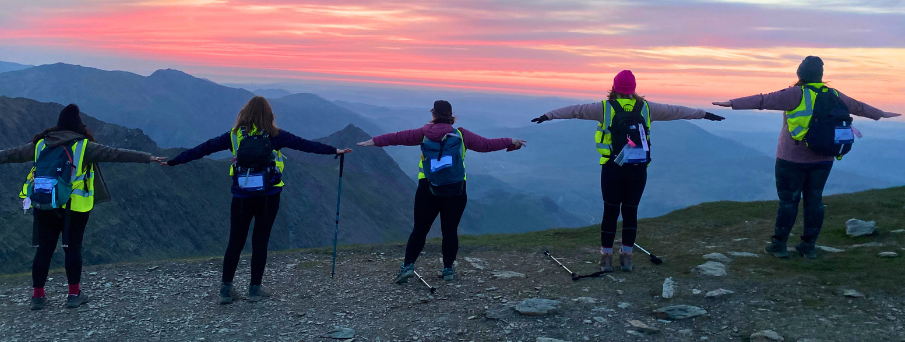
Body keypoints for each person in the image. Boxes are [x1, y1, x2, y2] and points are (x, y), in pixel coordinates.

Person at [0, 104, 164, 310]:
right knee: (72, 249)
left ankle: (38, 297)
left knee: (44, 249)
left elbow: (10, 155)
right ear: (78, 126)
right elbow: (116, 154)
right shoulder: (84, 146)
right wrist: (148, 158)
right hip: (75, 207)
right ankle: (73, 294)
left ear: (58, 125)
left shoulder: (41, 144)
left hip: (45, 202)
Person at [162, 96, 352, 304]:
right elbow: (305, 145)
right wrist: (335, 150)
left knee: (235, 241)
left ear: (244, 113)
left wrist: (174, 161)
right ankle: (255, 290)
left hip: (242, 196)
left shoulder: (234, 137)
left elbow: (203, 148)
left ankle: (226, 290)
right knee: (260, 241)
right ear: (269, 115)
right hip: (269, 196)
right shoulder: (275, 136)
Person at [531, 70, 725, 272]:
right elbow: (676, 111)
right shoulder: (646, 108)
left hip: (612, 168)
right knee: (630, 212)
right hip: (639, 169)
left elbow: (575, 110)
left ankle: (606, 258)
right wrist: (704, 114)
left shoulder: (604, 108)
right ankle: (627, 258)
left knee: (610, 211)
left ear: (614, 87)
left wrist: (548, 115)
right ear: (634, 88)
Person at [712, 56, 900, 259]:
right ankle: (808, 247)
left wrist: (732, 103)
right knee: (814, 201)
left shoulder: (795, 93)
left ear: (800, 73)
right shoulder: (834, 94)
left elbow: (763, 100)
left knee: (788, 202)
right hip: (824, 157)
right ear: (820, 75)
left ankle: (779, 246)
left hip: (791, 158)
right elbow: (859, 107)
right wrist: (880, 113)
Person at [357, 100, 525, 283]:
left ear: (433, 115)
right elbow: (486, 145)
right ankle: (448, 270)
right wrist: (510, 141)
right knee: (450, 231)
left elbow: (397, 137)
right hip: (456, 189)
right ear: (452, 115)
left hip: (427, 188)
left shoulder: (423, 133)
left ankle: (407, 267)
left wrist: (374, 141)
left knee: (420, 230)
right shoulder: (461, 134)